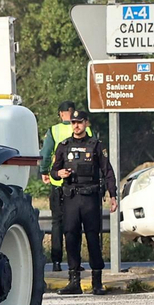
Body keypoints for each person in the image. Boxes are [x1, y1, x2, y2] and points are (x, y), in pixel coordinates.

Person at [51, 109, 117, 295]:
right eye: (73, 122)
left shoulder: (95, 145)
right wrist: (59, 174)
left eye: (79, 122)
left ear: (86, 123)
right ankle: (74, 282)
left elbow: (107, 171)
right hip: (71, 197)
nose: (76, 126)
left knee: (93, 238)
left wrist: (113, 195)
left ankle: (97, 282)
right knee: (71, 236)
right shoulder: (64, 146)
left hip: (90, 198)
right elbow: (54, 171)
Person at [39, 101, 77, 271]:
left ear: (61, 114)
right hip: (78, 185)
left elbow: (46, 153)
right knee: (75, 223)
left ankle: (56, 262)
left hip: (58, 183)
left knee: (57, 223)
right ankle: (74, 261)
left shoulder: (54, 130)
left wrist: (44, 170)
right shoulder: (85, 128)